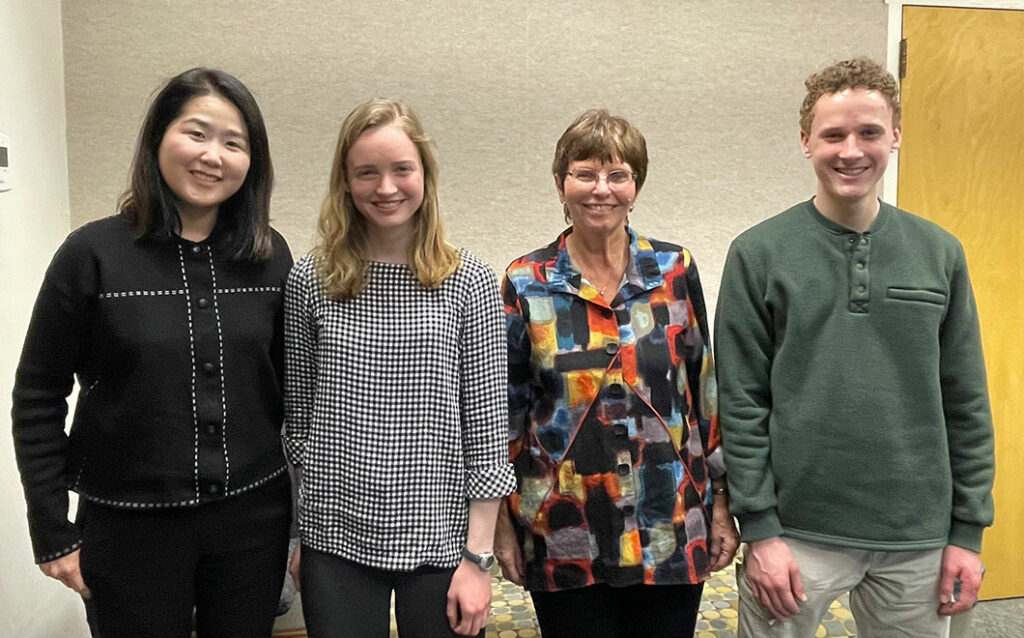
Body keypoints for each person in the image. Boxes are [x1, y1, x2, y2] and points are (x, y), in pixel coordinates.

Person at [715, 57, 995, 637]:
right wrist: (760, 530)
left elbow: (965, 400)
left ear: (894, 136)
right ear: (804, 141)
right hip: (795, 534)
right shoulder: (758, 253)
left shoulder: (940, 253)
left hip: (918, 533)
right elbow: (741, 402)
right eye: (833, 134)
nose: (851, 150)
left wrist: (967, 533)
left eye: (869, 132)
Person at [11, 68, 293, 636]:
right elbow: (37, 394)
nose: (212, 155)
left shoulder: (270, 255)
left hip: (252, 522)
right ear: (158, 138)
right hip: (128, 526)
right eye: (196, 133)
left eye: (233, 143)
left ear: (252, 162)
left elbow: (292, 390)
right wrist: (52, 530)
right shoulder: (91, 254)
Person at [495, 109, 739, 638]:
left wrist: (723, 502)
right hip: (565, 525)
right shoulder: (526, 281)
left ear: (636, 186)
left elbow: (704, 394)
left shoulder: (674, 271)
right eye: (585, 173)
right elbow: (506, 415)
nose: (600, 189)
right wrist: (502, 524)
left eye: (617, 174)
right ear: (561, 183)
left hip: (670, 519)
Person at [283, 98, 515, 638]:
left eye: (401, 169)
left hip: (443, 542)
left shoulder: (469, 281)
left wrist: (477, 561)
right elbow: (297, 426)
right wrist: (298, 538)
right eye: (367, 172)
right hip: (333, 536)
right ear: (345, 182)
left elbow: (486, 431)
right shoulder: (310, 281)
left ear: (425, 175)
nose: (386, 187)